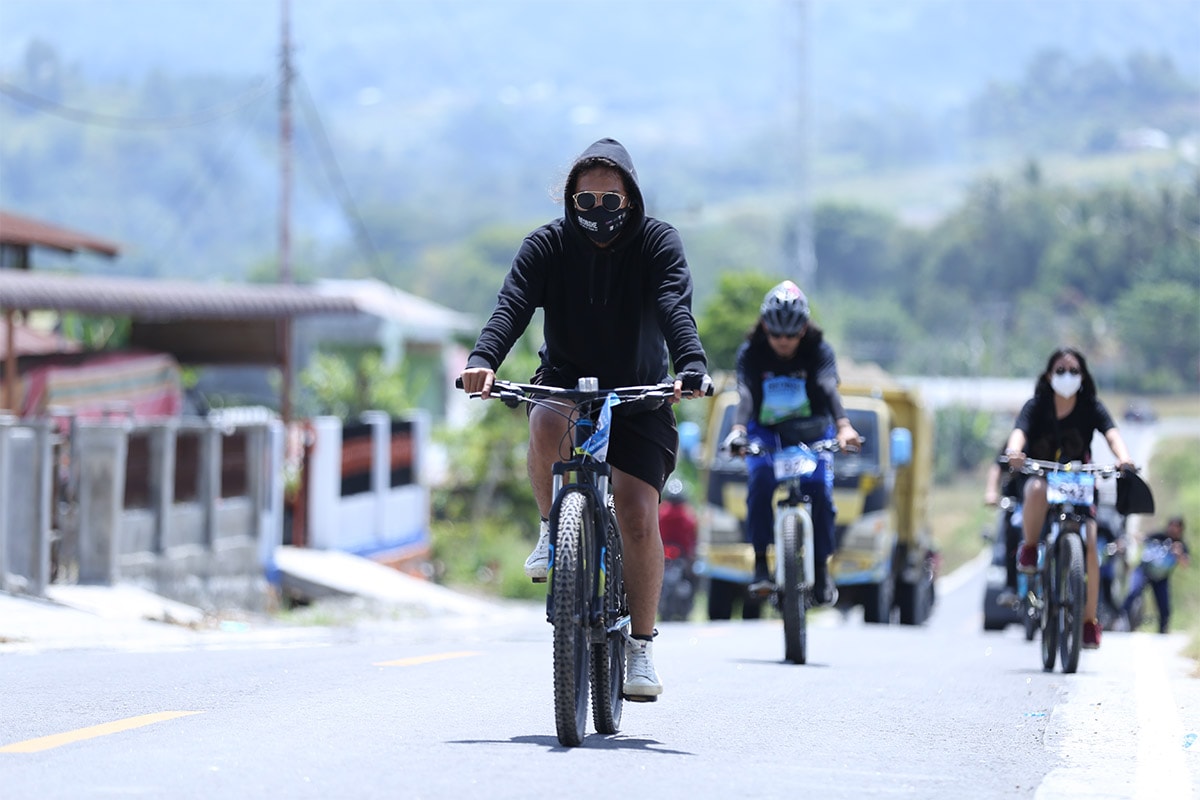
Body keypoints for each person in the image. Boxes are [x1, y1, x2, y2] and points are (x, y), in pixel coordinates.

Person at [458, 137, 712, 700]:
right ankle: (554, 532)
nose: (599, 213)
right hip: (567, 382)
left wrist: (690, 365)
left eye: (611, 200)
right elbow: (512, 305)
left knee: (641, 516)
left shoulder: (657, 243)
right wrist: (483, 361)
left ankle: (641, 649)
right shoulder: (546, 247)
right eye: (586, 202)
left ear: (632, 198)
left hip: (641, 395)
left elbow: (674, 305)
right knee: (545, 417)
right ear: (570, 200)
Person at [722, 280, 863, 605]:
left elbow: (828, 387)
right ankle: (760, 563)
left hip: (812, 431)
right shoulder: (751, 352)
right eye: (775, 334)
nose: (783, 342)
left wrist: (843, 426)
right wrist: (739, 430)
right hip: (765, 431)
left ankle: (821, 569)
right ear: (764, 328)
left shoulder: (819, 351)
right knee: (760, 480)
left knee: (820, 491)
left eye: (791, 334)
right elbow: (745, 394)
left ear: (803, 330)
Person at [1004, 346, 1135, 650]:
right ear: (1049, 375)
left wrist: (1124, 458)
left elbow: (1112, 434)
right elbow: (1019, 433)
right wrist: (1014, 452)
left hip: (1079, 480)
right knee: (1034, 489)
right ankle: (1031, 548)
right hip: (1044, 474)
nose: (1067, 376)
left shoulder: (1091, 406)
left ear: (1083, 376)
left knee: (1090, 543)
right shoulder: (1036, 406)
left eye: (1074, 371)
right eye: (1060, 370)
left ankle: (1089, 621)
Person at [1121, 516, 1190, 633]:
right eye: (1171, 525)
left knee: (1164, 606)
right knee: (1133, 593)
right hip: (1144, 571)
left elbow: (1185, 564)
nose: (1173, 529)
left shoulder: (1181, 545)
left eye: (1176, 527)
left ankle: (1163, 631)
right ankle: (1121, 619)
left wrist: (1178, 554)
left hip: (1161, 578)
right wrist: (1136, 537)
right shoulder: (1159, 536)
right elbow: (1141, 538)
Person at [984, 444, 1023, 609]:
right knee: (1011, 531)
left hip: (1045, 500)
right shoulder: (1013, 441)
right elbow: (997, 467)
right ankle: (1011, 586)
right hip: (1016, 501)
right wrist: (991, 491)